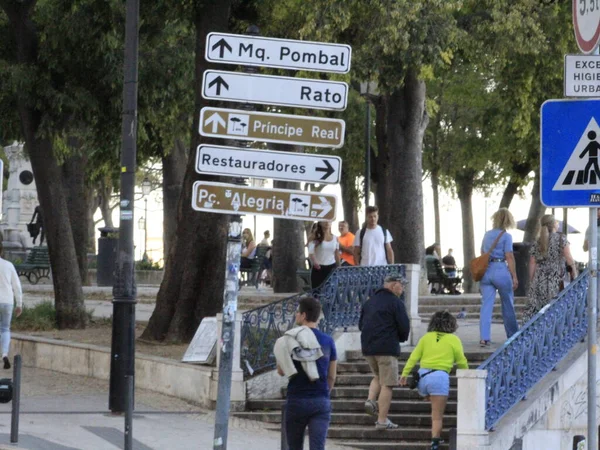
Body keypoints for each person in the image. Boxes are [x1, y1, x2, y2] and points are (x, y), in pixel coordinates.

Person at [400, 311, 469, 450]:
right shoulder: (453, 339)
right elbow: (462, 362)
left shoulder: (426, 338)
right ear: (451, 324)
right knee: (437, 416)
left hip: (422, 378)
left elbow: (413, 358)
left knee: (429, 394)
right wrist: (467, 376)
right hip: (440, 378)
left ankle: (428, 396)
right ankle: (435, 443)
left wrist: (404, 375)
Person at [275, 297, 337, 450]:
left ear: (303, 315)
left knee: (294, 446)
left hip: (296, 399)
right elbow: (332, 376)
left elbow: (281, 371)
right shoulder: (328, 341)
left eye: (297, 313)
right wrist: (324, 392)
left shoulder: (289, 339)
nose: (296, 316)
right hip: (320, 400)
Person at [359, 274, 410, 429]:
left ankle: (370, 399)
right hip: (387, 348)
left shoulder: (369, 302)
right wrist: (401, 338)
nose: (403, 289)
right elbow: (404, 326)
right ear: (394, 285)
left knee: (377, 376)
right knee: (388, 384)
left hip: (368, 348)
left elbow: (361, 325)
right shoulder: (396, 303)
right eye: (402, 285)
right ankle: (382, 420)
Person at [523, 215, 578, 323]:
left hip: (540, 277)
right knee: (556, 306)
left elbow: (532, 262)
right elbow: (568, 256)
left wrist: (532, 280)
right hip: (557, 278)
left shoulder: (537, 240)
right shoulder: (561, 238)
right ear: (553, 224)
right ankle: (554, 333)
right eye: (556, 222)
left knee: (539, 308)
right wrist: (574, 272)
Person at [478, 208, 519, 347]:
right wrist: (514, 276)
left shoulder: (487, 235)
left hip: (486, 271)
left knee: (486, 305)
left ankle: (484, 338)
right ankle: (512, 335)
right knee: (507, 304)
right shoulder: (506, 236)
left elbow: (482, 252)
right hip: (500, 269)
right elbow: (509, 256)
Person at [0, 242, 22, 369]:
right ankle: (4, 354)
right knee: (5, 329)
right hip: (7, 301)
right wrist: (19, 304)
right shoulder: (9, 265)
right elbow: (17, 286)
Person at [308, 222, 340, 289]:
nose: (327, 223)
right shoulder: (315, 237)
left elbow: (336, 253)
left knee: (331, 291)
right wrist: (315, 262)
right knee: (317, 292)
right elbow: (311, 252)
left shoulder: (335, 238)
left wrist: (339, 266)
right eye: (325, 221)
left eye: (329, 221)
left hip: (331, 267)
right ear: (320, 222)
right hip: (319, 267)